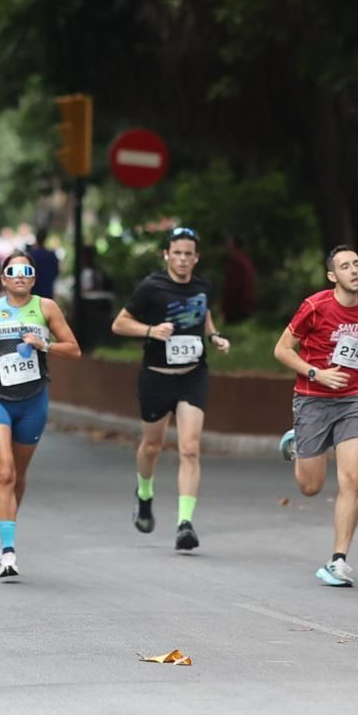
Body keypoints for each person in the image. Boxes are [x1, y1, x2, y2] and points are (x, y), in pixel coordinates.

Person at [274, 245, 358, 587]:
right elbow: (281, 349)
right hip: (312, 400)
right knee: (310, 486)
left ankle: (338, 560)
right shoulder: (315, 307)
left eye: (357, 264)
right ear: (333, 275)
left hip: (351, 401)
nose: (355, 271)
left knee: (353, 479)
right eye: (346, 266)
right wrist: (316, 373)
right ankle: (297, 443)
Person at [0, 250, 81, 580]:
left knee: (19, 473)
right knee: (3, 473)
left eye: (26, 271)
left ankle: (4, 534)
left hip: (33, 401)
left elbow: (74, 349)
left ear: (33, 278)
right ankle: (10, 553)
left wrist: (45, 345)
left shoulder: (46, 308)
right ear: (2, 279)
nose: (19, 276)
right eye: (12, 272)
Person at [110, 227, 230, 551]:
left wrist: (214, 335)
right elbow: (119, 324)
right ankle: (144, 492)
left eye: (188, 254)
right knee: (152, 446)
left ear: (196, 258)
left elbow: (202, 313)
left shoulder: (203, 285)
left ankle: (184, 523)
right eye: (176, 253)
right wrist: (150, 330)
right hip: (156, 376)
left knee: (189, 448)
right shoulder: (152, 286)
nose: (182, 259)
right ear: (166, 255)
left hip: (192, 375)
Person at [221, 233, 258, 325]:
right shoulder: (246, 260)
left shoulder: (236, 261)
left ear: (233, 244)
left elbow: (232, 286)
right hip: (247, 305)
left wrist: (226, 308)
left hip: (237, 307)